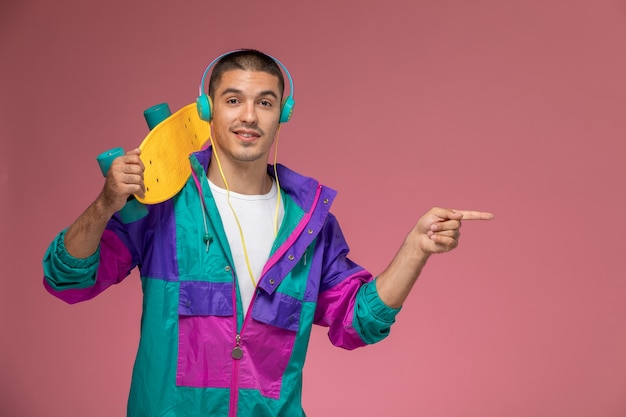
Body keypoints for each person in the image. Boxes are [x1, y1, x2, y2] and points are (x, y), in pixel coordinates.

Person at [42, 49, 494, 417]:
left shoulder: (308, 223)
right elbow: (68, 280)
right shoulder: (163, 206)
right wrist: (105, 205)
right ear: (207, 109)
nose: (249, 116)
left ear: (284, 112)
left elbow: (357, 323)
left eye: (265, 102)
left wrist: (416, 248)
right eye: (233, 99)